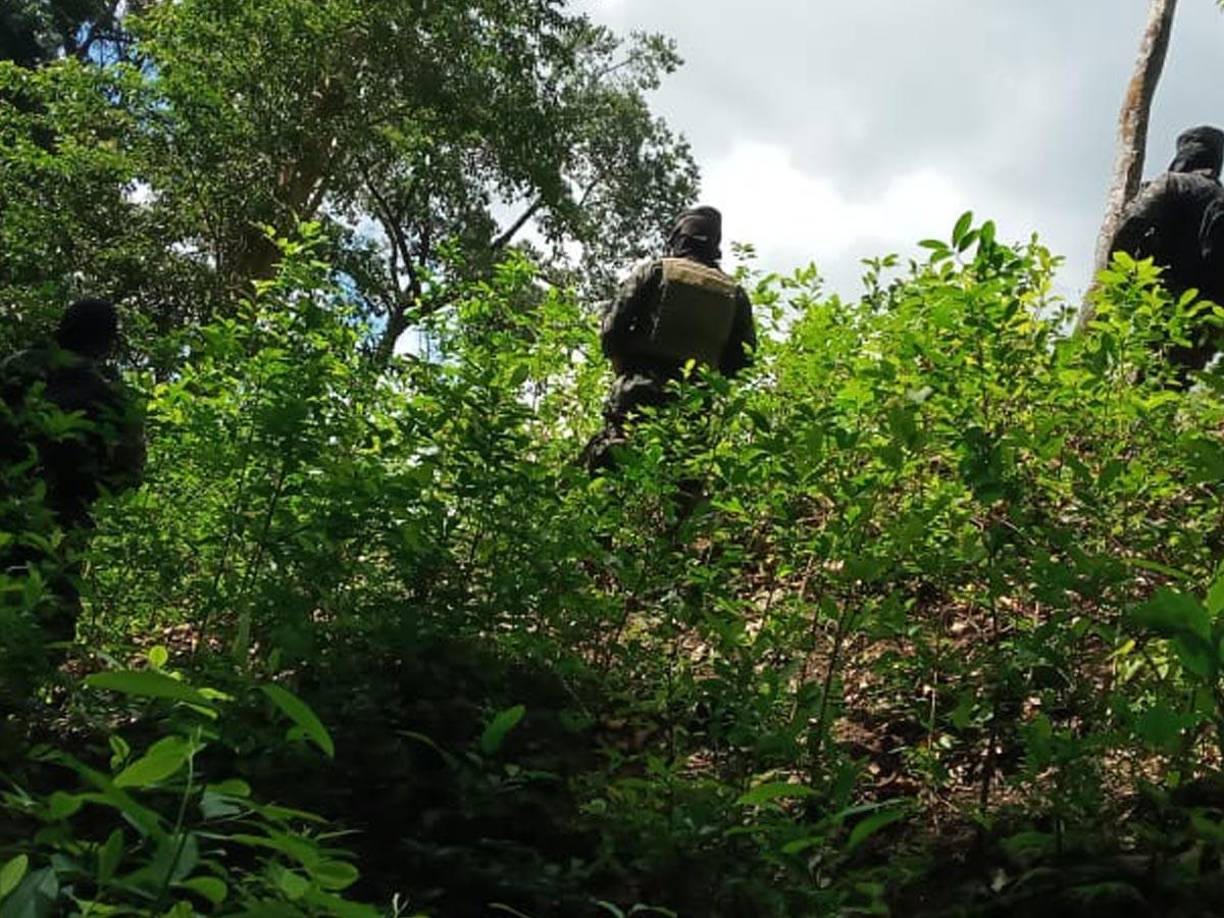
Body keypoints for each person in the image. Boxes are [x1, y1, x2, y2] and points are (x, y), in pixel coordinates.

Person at [0, 298, 145, 648]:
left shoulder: (17, 367)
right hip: (63, 519)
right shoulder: (111, 393)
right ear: (108, 340)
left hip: (7, 504)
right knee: (52, 611)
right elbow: (130, 470)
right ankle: (31, 695)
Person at [582, 206, 756, 473]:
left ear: (678, 238)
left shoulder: (654, 272)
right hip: (694, 409)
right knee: (681, 493)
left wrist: (624, 371)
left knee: (607, 480)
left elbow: (611, 330)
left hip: (637, 394)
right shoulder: (736, 294)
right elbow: (742, 360)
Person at [1109, 125, 1224, 375]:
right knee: (1175, 380)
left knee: (1148, 380)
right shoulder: (1219, 197)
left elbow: (1132, 225)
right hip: (1212, 312)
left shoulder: (1172, 183)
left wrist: (1116, 283)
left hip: (1164, 299)